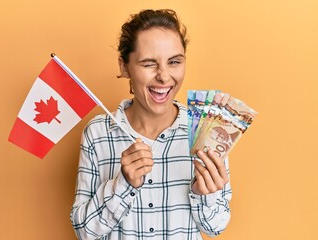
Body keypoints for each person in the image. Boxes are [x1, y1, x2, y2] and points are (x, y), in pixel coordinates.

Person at [70, 9, 232, 240]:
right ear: (124, 67)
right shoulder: (97, 133)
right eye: (149, 64)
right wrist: (122, 184)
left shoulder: (205, 131)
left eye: (174, 61)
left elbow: (215, 227)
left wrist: (203, 193)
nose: (164, 77)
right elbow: (84, 231)